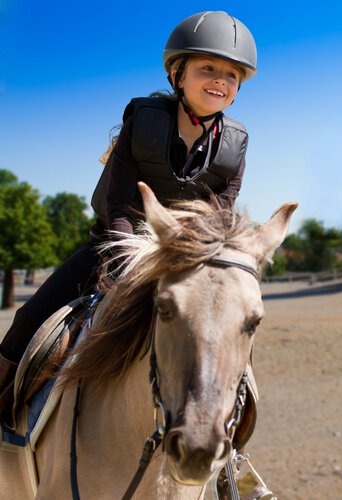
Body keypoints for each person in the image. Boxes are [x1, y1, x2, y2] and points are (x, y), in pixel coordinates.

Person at [0, 11, 255, 418]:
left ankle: (231, 450)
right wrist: (127, 264)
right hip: (115, 248)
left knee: (235, 338)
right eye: (208, 68)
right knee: (28, 319)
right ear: (178, 74)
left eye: (231, 75)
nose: (220, 80)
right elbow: (119, 203)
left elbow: (218, 220)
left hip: (183, 260)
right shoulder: (143, 124)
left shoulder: (236, 145)